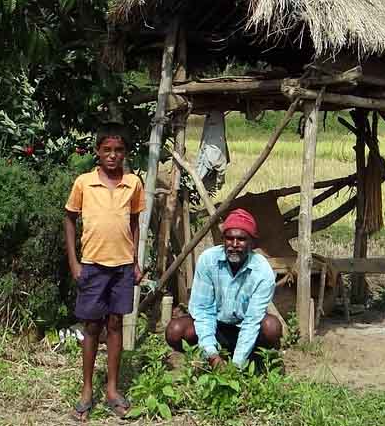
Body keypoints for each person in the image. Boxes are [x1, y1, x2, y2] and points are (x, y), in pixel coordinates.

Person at [64, 122, 145, 421]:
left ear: (125, 153)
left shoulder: (133, 183)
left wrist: (135, 261)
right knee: (92, 327)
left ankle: (112, 390)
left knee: (115, 325)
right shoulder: (84, 183)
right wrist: (75, 262)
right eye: (107, 150)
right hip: (93, 265)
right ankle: (87, 390)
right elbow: (70, 220)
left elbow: (134, 223)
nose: (113, 155)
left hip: (122, 267)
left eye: (119, 150)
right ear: (97, 151)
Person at [165, 209, 282, 369]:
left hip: (244, 328)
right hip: (216, 326)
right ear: (223, 240)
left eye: (241, 239)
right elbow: (203, 311)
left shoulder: (262, 271)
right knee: (175, 330)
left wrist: (236, 365)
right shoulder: (208, 260)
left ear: (252, 243)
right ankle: (202, 362)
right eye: (229, 238)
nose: (234, 245)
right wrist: (211, 354)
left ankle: (254, 362)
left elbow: (252, 321)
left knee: (271, 328)